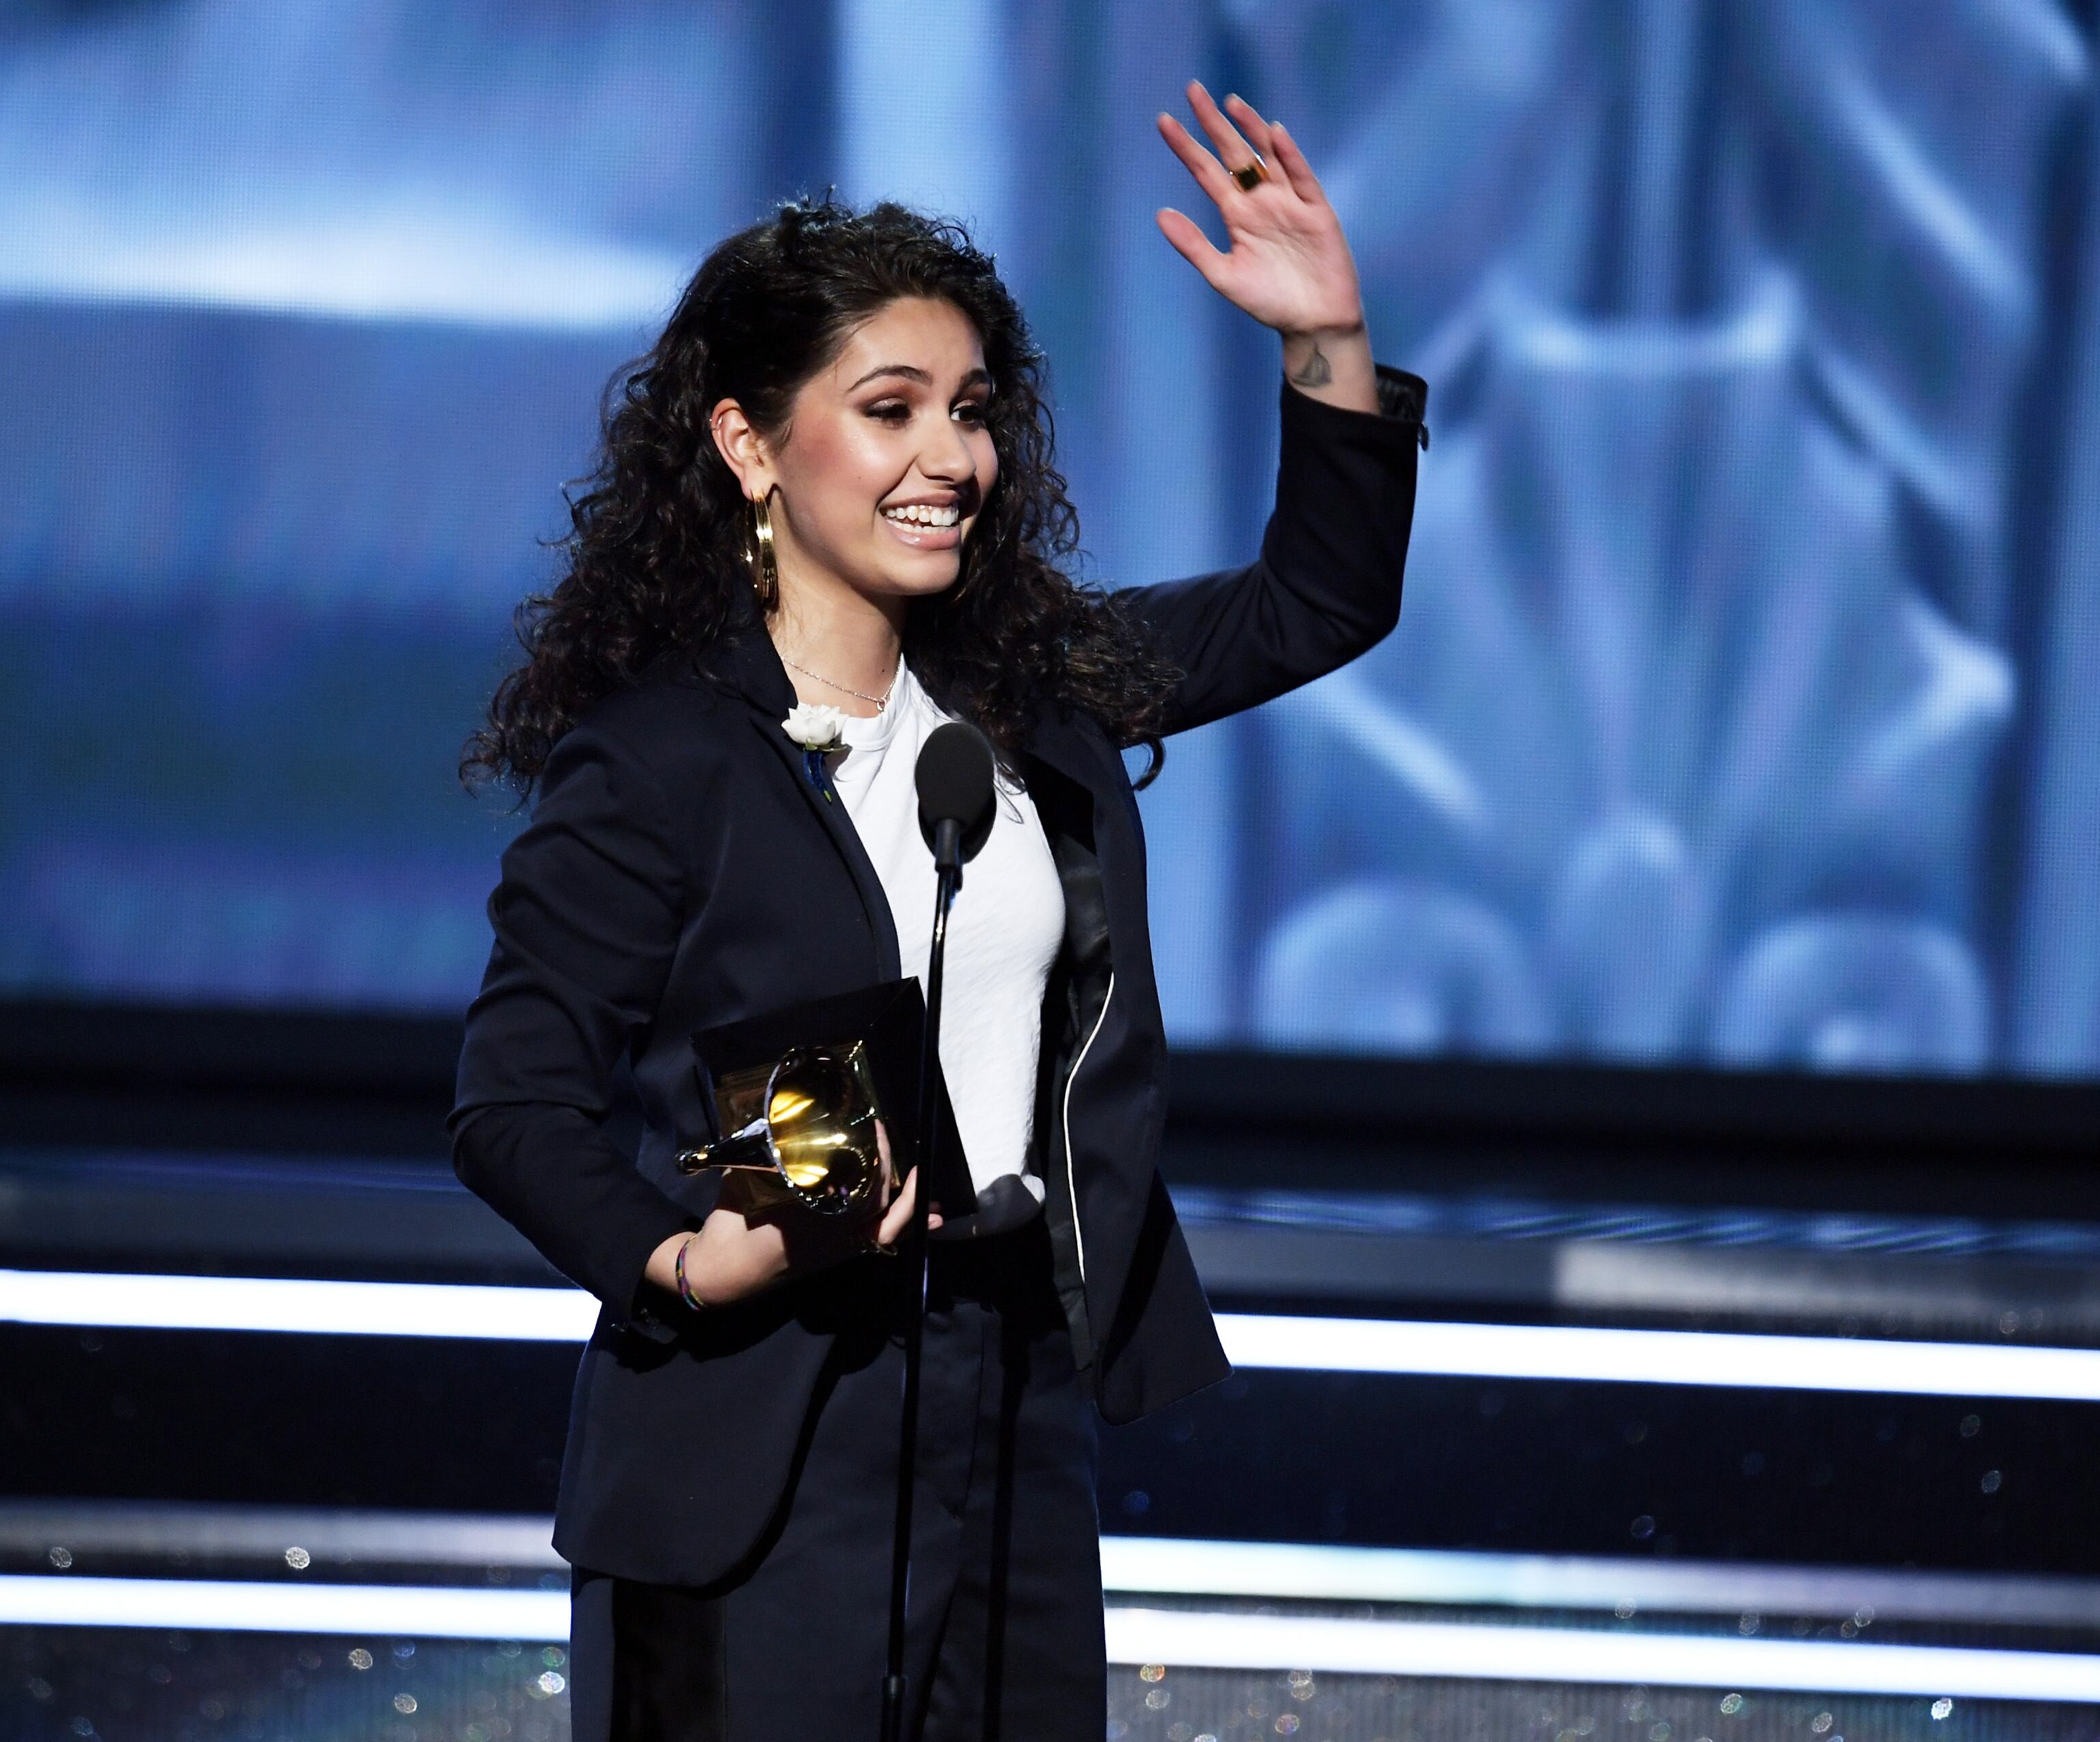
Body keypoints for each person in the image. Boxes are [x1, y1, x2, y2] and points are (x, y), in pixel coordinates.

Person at [452, 83, 1426, 1741]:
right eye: (888, 408)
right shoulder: (665, 756)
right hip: (763, 1410)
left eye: (971, 411)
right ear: (750, 443)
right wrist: (683, 1254)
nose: (949, 459)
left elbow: (1318, 598)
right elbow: (515, 1103)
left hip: (1007, 1380)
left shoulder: (1027, 699)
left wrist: (1323, 342)